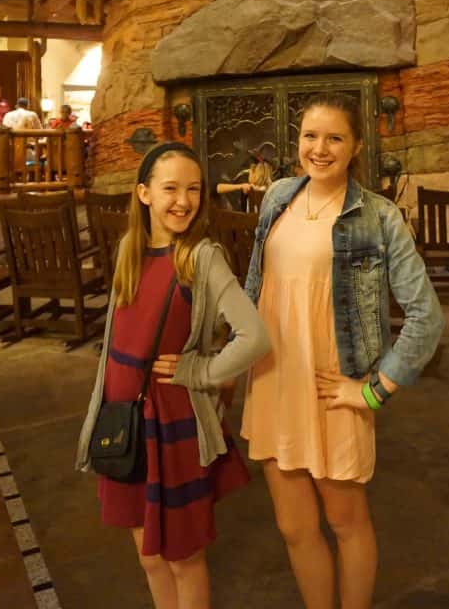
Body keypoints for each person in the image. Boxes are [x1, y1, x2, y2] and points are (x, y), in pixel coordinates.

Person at [242, 93, 444, 609]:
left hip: (334, 389)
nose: (320, 148)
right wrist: (230, 361)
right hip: (271, 383)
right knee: (293, 527)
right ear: (298, 143)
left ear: (355, 146)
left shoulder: (377, 216)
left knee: (346, 521)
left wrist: (376, 390)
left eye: (335, 138)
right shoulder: (277, 197)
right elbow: (255, 288)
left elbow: (427, 315)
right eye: (311, 136)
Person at [76, 141, 271, 609]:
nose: (183, 200)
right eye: (170, 188)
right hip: (123, 419)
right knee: (148, 556)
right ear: (144, 193)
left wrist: (201, 369)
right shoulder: (129, 249)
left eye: (193, 190)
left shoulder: (201, 257)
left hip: (170, 420)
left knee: (183, 558)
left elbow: (255, 337)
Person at [2, 98, 43, 178]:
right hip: (26, 152)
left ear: (16, 106)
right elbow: (40, 133)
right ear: (28, 106)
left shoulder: (7, 115)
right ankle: (33, 182)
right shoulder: (32, 114)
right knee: (41, 158)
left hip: (9, 154)